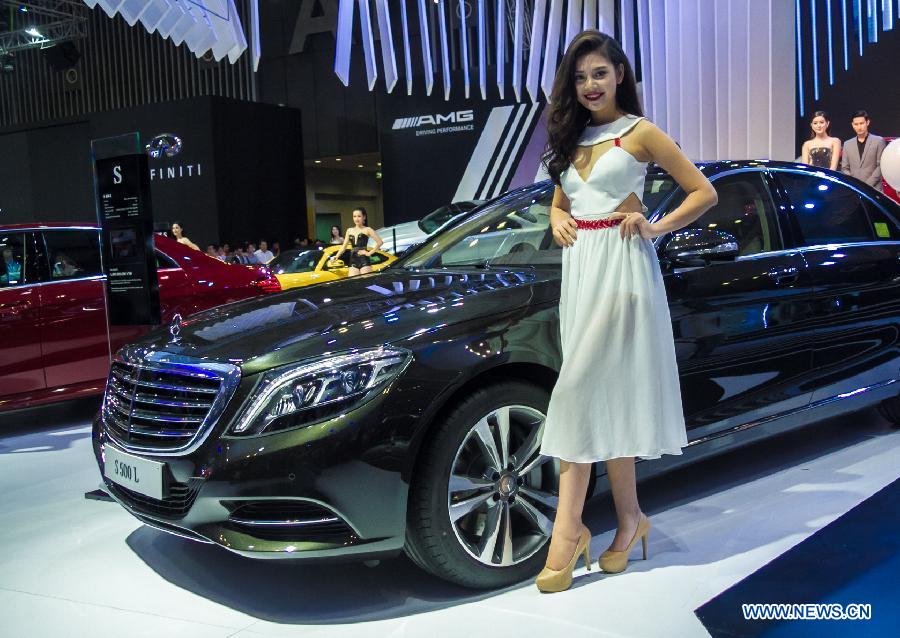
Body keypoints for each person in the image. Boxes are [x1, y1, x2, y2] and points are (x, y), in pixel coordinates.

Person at [535, 30, 717, 593]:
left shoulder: (639, 134)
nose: (591, 85)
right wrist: (553, 218)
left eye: (600, 73)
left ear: (620, 75)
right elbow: (563, 201)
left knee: (576, 394)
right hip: (580, 275)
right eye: (581, 76)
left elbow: (702, 192)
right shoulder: (570, 138)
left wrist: (655, 225)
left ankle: (567, 531)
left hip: (622, 269)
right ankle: (632, 518)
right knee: (603, 397)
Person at [841, 110, 886, 192]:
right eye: (856, 124)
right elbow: (844, 168)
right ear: (852, 125)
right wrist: (854, 184)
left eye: (861, 123)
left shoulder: (879, 141)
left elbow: (881, 166)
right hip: (855, 190)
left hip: (874, 189)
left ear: (867, 122)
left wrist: (866, 185)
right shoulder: (847, 144)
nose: (859, 127)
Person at [330, 207, 383, 276]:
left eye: (359, 216)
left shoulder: (368, 229)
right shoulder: (349, 230)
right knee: (353, 283)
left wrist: (369, 253)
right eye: (354, 216)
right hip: (353, 260)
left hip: (364, 260)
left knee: (365, 284)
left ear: (364, 217)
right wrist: (336, 256)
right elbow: (344, 247)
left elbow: (380, 242)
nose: (356, 218)